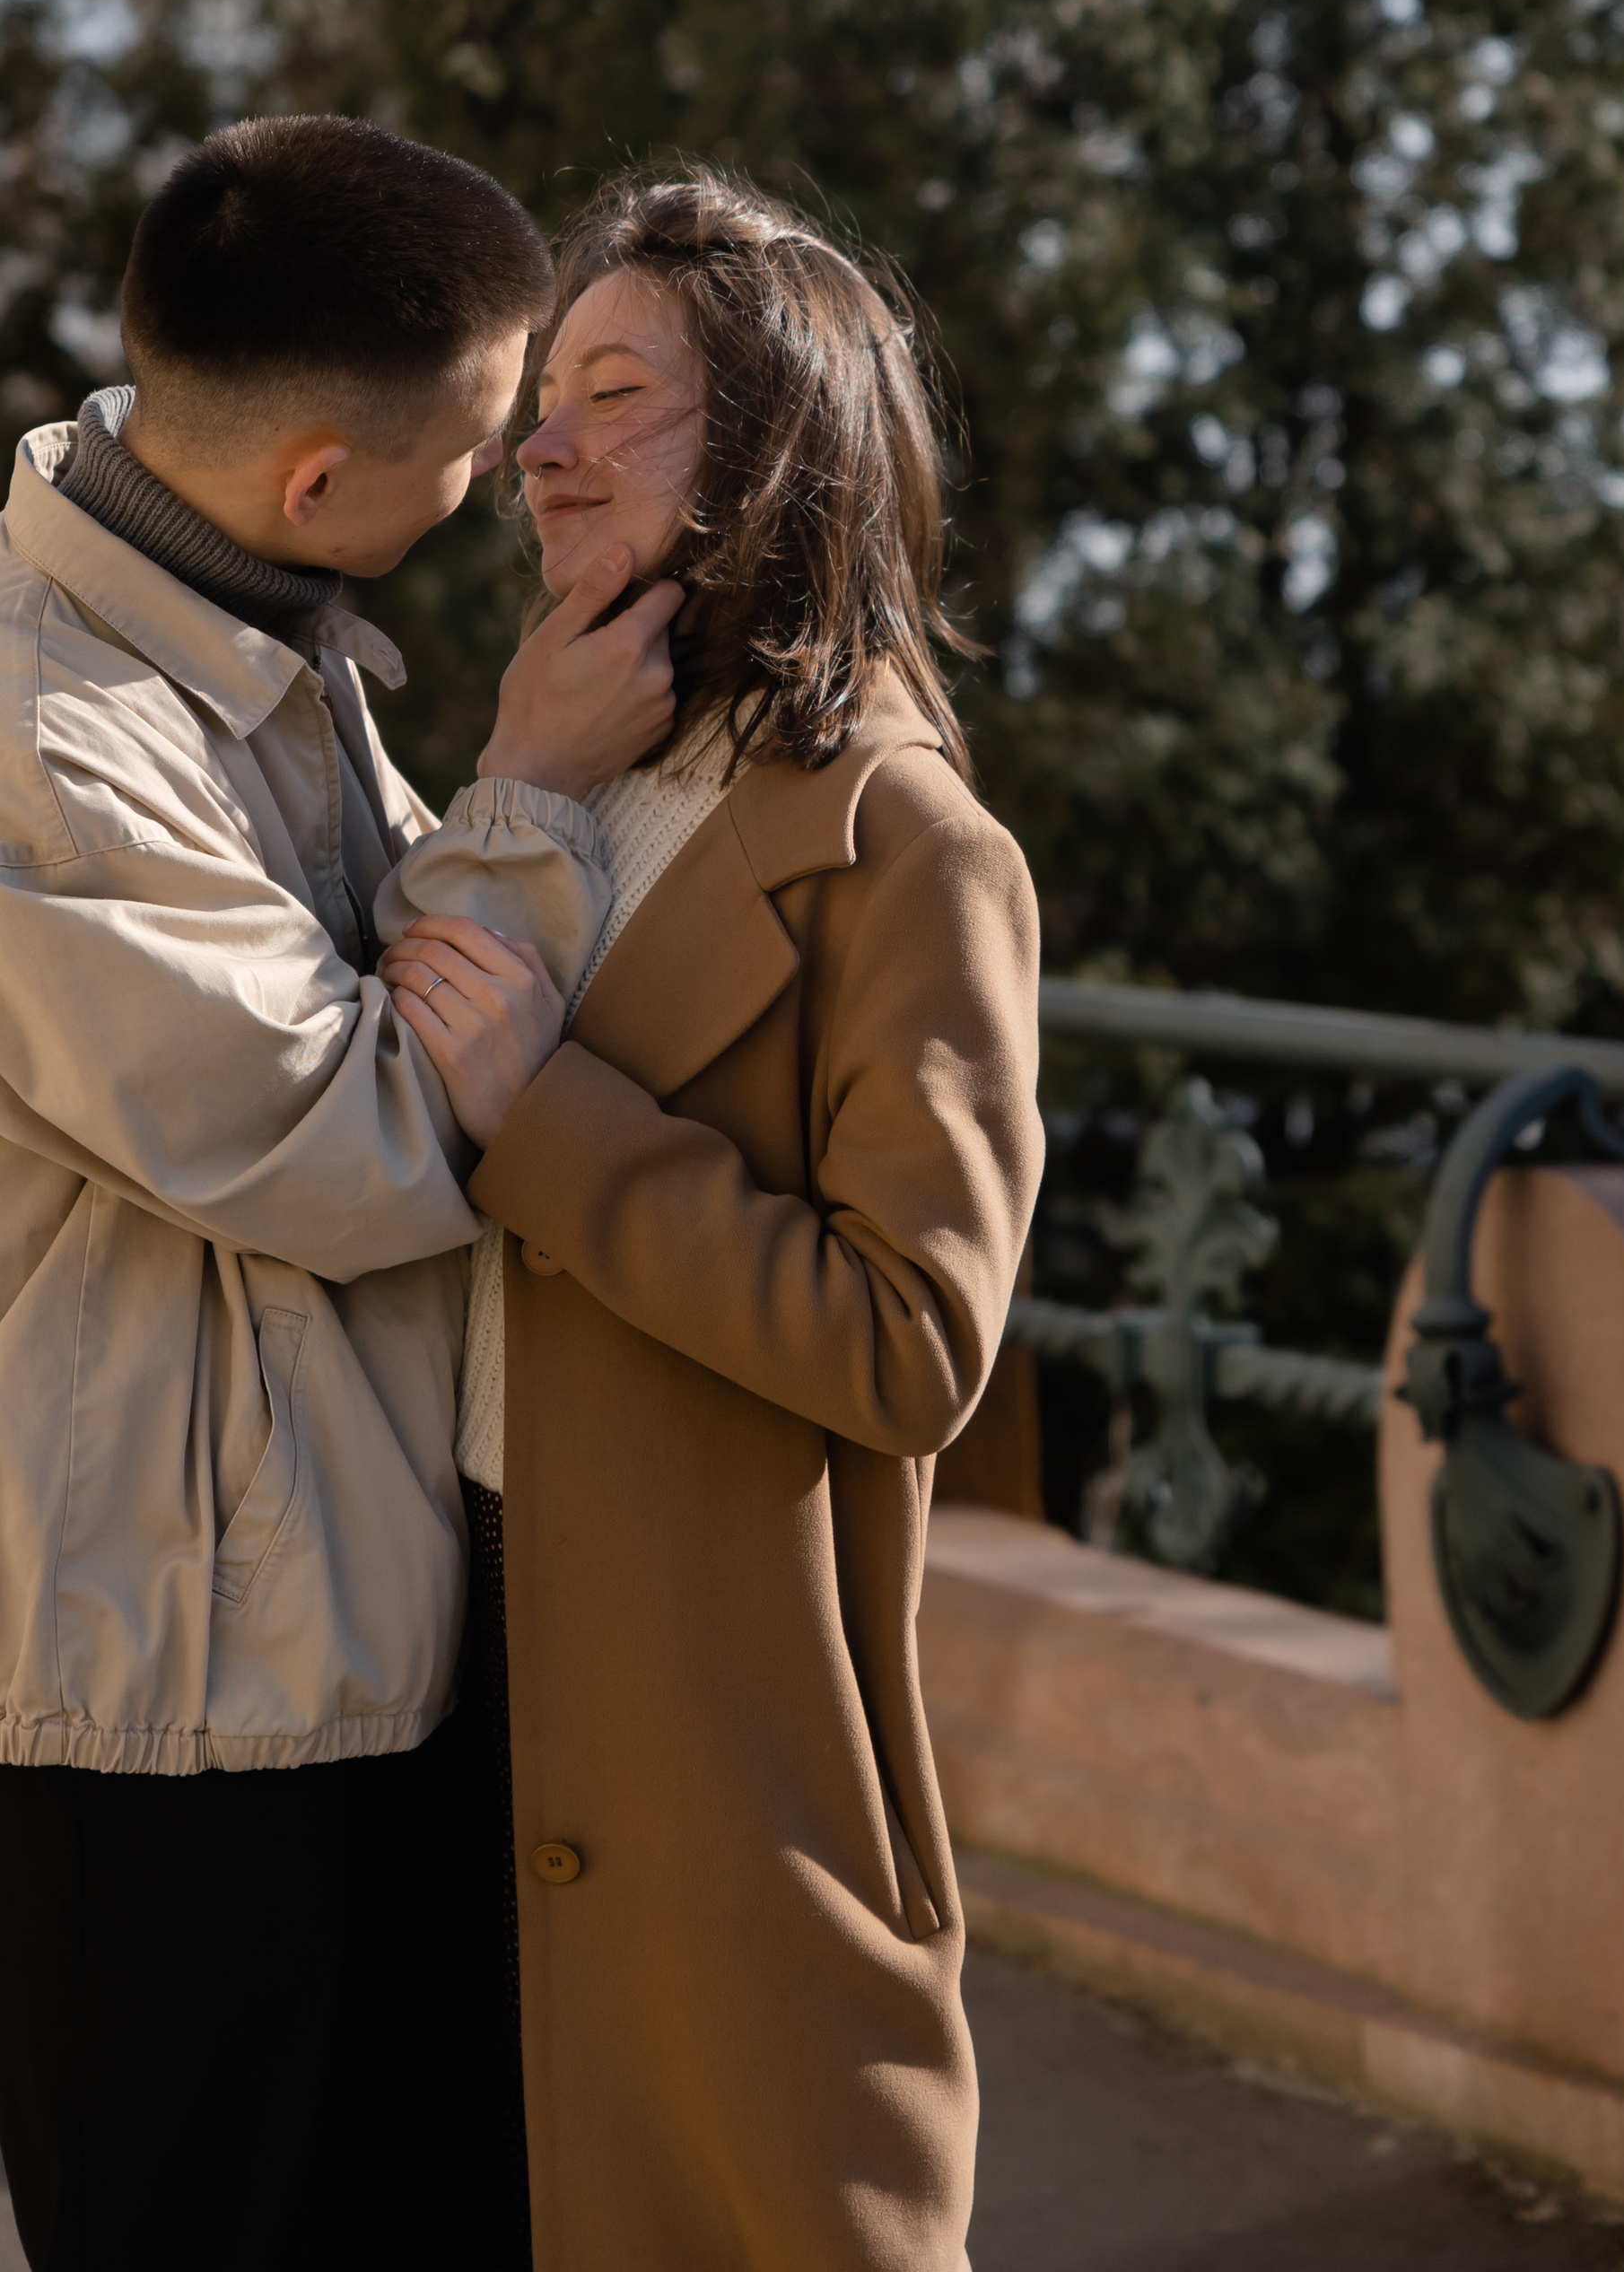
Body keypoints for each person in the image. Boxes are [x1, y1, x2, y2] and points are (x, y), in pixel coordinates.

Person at [0, 118, 680, 2272]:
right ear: (319, 478)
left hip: (333, 1647)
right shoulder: (46, 730)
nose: (510, 472)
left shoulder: (243, 623)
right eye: (482, 439)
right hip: (166, 1718)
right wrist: (532, 788)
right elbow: (364, 1137)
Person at [379, 169, 1043, 2272]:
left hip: (715, 1754)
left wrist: (550, 1121)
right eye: (541, 407)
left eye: (613, 397)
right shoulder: (575, 760)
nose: (540, 452)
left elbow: (914, 1347)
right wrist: (515, 772)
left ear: (773, 441)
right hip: (460, 1676)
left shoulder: (908, 845)